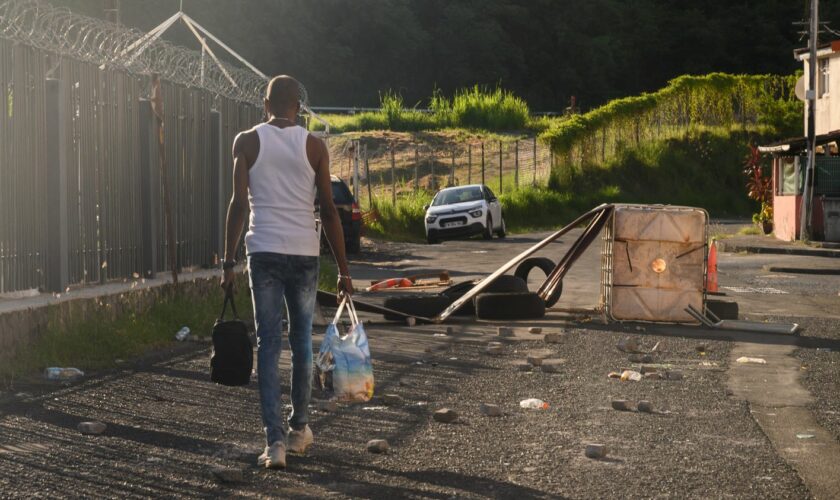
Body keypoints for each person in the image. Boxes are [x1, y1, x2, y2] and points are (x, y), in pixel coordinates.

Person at [220, 75, 353, 470]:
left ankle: (274, 443)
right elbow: (329, 210)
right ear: (299, 106)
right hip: (303, 253)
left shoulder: (245, 141)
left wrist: (227, 262)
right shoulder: (314, 146)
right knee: (301, 343)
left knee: (268, 343)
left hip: (263, 251)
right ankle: (299, 429)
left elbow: (238, 205)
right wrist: (344, 272)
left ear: (266, 104)